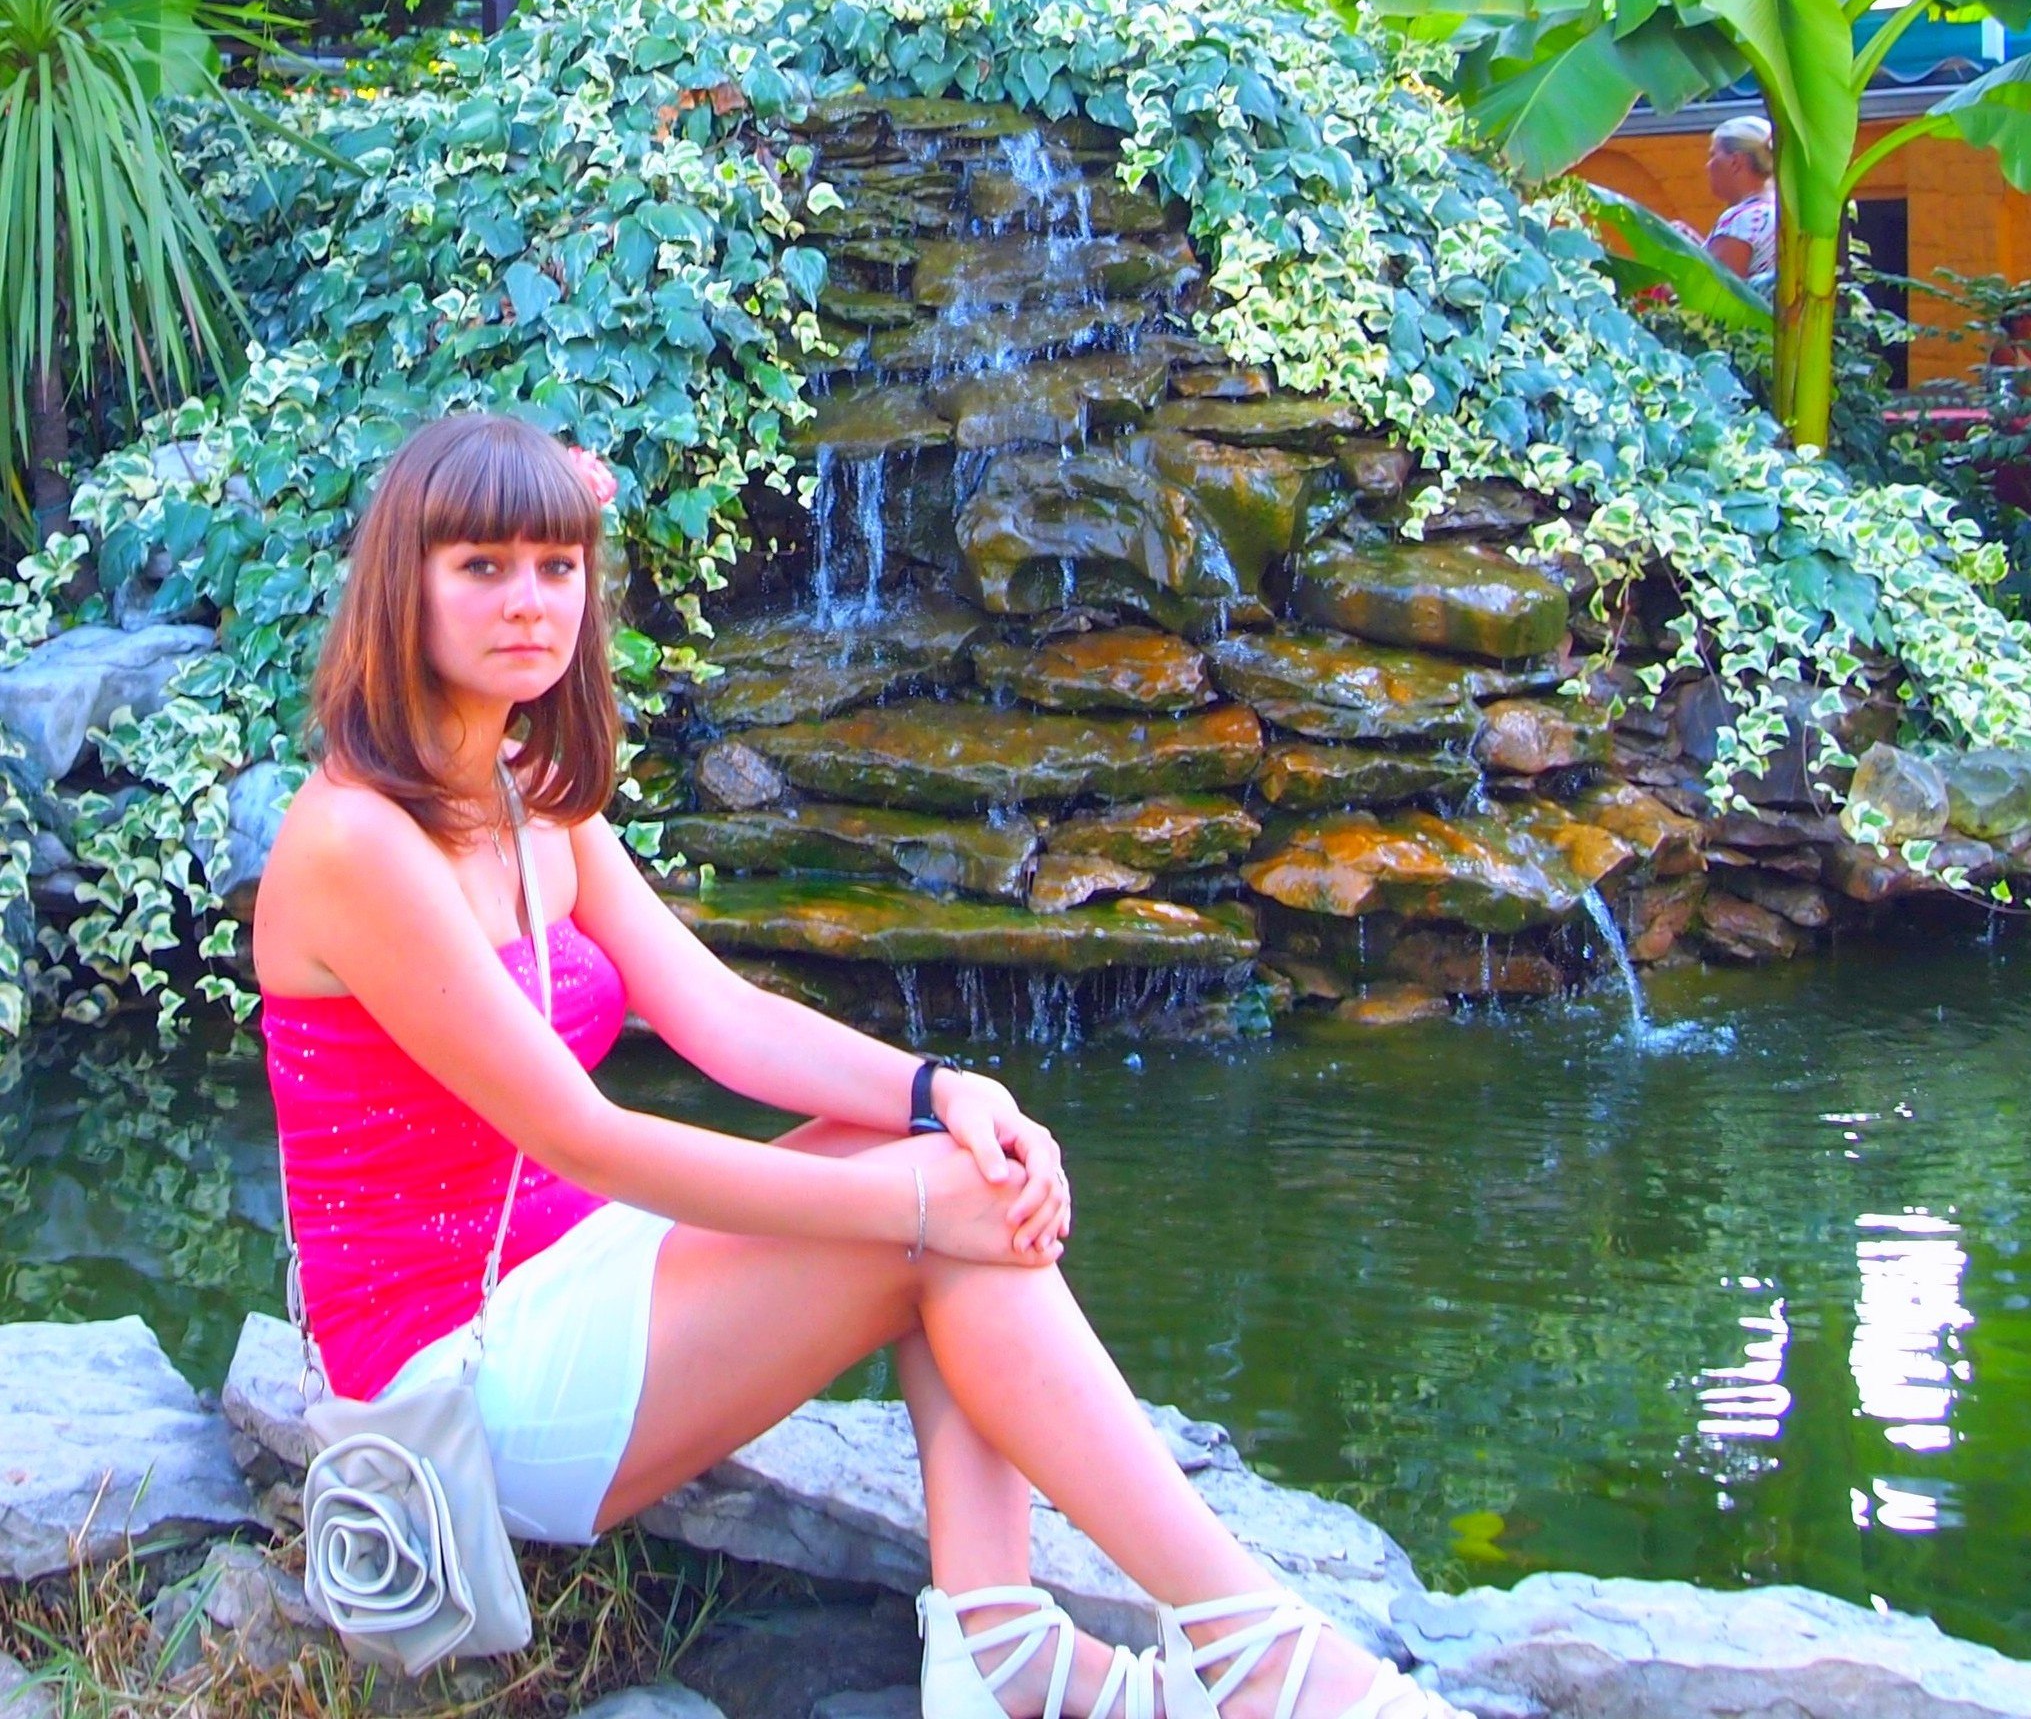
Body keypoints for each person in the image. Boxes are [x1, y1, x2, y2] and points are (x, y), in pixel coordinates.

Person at [255, 413, 1470, 1719]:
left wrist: (941, 1094)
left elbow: (721, 1016)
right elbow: (583, 1136)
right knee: (935, 1224)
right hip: (451, 1375)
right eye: (482, 567)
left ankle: (1016, 1638)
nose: (529, 601)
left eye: (557, 565)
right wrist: (910, 1205)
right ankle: (1244, 1656)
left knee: (950, 1167)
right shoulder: (355, 842)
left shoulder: (525, 790)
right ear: (404, 586)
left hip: (569, 1281)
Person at [1703, 115, 1777, 293]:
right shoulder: (1783, 212)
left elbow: (1716, 294)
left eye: (1713, 155)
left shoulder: (1740, 221)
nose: (1707, 165)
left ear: (1735, 162)